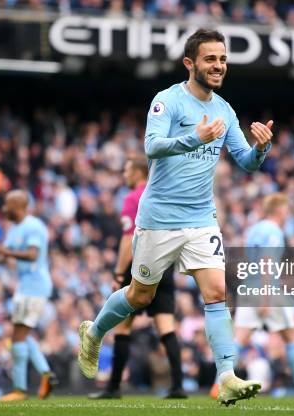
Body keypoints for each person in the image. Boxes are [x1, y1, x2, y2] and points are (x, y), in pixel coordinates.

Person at [78, 28, 273, 406]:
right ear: (190, 63)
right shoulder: (167, 101)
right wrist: (194, 139)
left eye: (222, 59)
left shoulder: (225, 110)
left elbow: (246, 163)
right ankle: (94, 331)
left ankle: (227, 375)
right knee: (139, 295)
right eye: (210, 59)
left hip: (202, 218)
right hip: (159, 219)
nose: (219, 66)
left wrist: (261, 150)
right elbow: (151, 147)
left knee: (217, 292)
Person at [89, 155, 187, 400]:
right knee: (166, 327)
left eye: (126, 170)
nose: (124, 175)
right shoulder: (161, 195)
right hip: (164, 265)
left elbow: (127, 238)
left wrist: (119, 273)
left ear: (137, 173)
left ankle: (113, 388)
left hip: (138, 268)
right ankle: (178, 387)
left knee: (123, 327)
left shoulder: (133, 198)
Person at [234, 193, 294, 398]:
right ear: (279, 210)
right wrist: (267, 296)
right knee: (291, 336)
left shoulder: (253, 230)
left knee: (239, 339)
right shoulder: (273, 230)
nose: (288, 213)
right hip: (267, 288)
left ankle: (218, 384)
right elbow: (267, 262)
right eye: (286, 209)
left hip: (248, 286)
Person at [0, 190, 57, 401]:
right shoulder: (15, 229)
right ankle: (46, 374)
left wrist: (3, 252)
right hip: (25, 286)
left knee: (18, 335)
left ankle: (20, 389)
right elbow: (4, 256)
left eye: (7, 205)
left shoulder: (33, 226)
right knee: (22, 334)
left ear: (18, 206)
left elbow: (32, 254)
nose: (4, 209)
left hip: (35, 285)